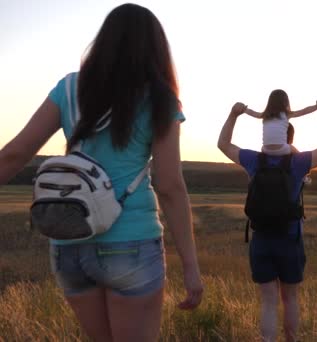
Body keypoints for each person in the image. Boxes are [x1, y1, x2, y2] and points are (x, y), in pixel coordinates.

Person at [0, 4, 203, 341]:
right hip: (131, 243)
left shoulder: (68, 89)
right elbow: (169, 185)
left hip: (69, 241)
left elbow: (15, 154)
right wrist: (191, 267)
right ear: (155, 49)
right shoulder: (160, 99)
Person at [217, 99, 317, 342]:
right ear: (287, 134)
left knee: (268, 302)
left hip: (261, 240)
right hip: (290, 240)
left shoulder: (253, 160)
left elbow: (223, 144)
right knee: (290, 298)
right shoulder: (299, 162)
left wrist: (233, 114)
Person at [243, 89, 317, 156]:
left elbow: (252, 113)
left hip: (265, 150)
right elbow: (304, 111)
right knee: (298, 154)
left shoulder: (265, 115)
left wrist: (244, 109)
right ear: (286, 102)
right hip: (282, 149)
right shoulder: (286, 114)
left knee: (263, 147)